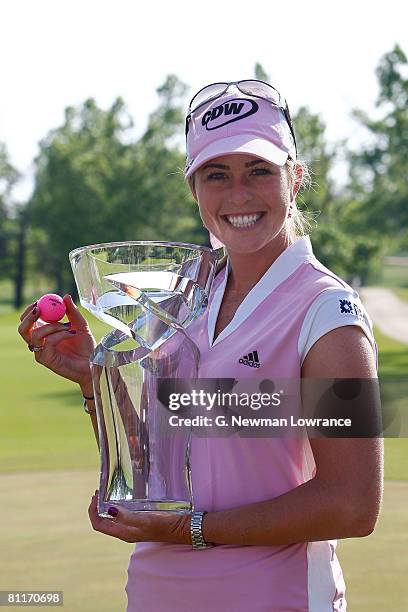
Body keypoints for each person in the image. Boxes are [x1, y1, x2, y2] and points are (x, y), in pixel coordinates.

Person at [18, 80, 383, 611]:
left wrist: (190, 530)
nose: (238, 194)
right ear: (194, 189)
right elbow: (153, 465)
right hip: (156, 593)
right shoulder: (186, 297)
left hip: (274, 598)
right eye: (217, 175)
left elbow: (352, 505)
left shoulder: (328, 313)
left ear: (295, 179)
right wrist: (93, 375)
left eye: (259, 170)